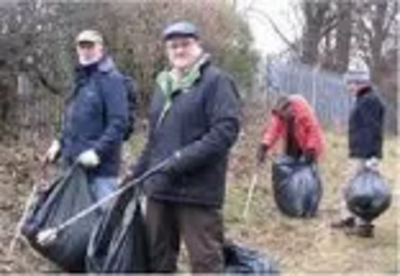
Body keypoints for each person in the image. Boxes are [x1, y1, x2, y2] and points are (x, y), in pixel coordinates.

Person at [129, 21, 240, 273]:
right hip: (159, 190)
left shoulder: (216, 82)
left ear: (198, 46)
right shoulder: (162, 85)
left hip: (198, 192)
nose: (179, 50)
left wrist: (181, 159)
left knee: (205, 262)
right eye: (173, 46)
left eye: (185, 44)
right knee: (158, 260)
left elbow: (225, 132)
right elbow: (154, 141)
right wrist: (135, 176)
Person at [43, 30, 130, 202]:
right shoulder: (80, 79)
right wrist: (59, 142)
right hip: (72, 169)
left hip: (101, 173)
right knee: (74, 225)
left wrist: (97, 152)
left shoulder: (112, 79)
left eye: (90, 46)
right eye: (82, 46)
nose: (85, 50)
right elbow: (73, 120)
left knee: (104, 225)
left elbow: (119, 123)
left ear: (100, 48)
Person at [331, 58, 385, 238]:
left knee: (362, 190)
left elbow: (373, 130)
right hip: (359, 152)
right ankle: (350, 219)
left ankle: (363, 226)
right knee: (354, 187)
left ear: (360, 82)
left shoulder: (369, 101)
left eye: (351, 83)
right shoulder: (364, 99)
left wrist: (372, 158)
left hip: (365, 154)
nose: (349, 87)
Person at [256, 94, 324, 165]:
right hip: (291, 142)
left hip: (306, 142)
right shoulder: (279, 113)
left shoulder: (302, 107)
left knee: (309, 169)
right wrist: (264, 146)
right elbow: (273, 130)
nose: (283, 118)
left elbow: (313, 129)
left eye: (284, 115)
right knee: (289, 166)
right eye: (281, 116)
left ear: (290, 107)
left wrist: (311, 149)